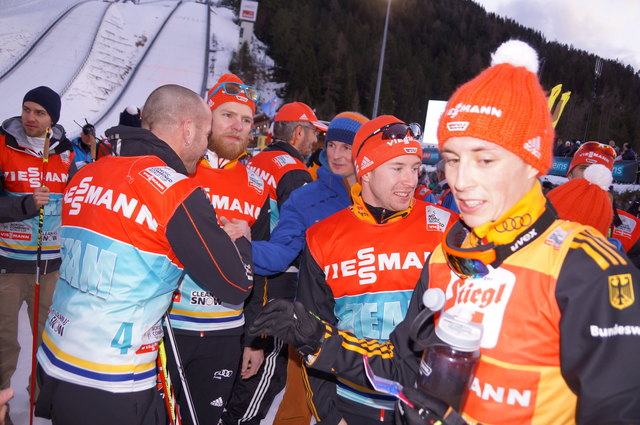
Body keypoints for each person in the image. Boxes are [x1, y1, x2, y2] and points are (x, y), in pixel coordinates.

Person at [249, 40, 640, 424]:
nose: (460, 180)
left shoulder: (587, 267)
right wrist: (318, 338)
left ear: (529, 162)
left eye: (484, 159)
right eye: (452, 159)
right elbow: (404, 366)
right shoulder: (446, 257)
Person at [35, 84, 254, 425]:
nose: (203, 147)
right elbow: (235, 284)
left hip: (56, 356)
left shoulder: (87, 172)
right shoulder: (176, 191)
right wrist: (240, 240)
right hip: (113, 377)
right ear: (188, 130)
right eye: (205, 134)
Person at [298, 115, 456, 424]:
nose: (411, 180)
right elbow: (310, 331)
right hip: (352, 401)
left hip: (426, 404)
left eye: (415, 168)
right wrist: (330, 415)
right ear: (366, 171)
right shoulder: (322, 236)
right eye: (397, 168)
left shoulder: (447, 227)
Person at [243, 111, 368, 425]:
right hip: (314, 321)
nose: (336, 155)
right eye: (331, 145)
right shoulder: (305, 198)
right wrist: (237, 247)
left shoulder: (380, 196)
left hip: (368, 324)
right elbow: (280, 253)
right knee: (297, 408)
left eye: (346, 147)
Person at [164, 74, 269, 425]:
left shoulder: (258, 186)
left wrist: (254, 339)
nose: (238, 126)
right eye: (228, 115)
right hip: (169, 325)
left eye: (246, 120)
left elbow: (261, 271)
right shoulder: (177, 170)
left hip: (225, 332)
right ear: (207, 117)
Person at [222, 101, 327, 425]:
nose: (316, 142)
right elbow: (302, 236)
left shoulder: (254, 160)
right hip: (274, 284)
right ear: (298, 133)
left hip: (244, 275)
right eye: (313, 133)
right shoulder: (294, 172)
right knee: (266, 373)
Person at [0, 86, 73, 425]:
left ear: (52, 119)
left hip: (51, 267)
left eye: (39, 112)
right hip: (9, 265)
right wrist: (26, 205)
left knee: (49, 337)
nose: (30, 117)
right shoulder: (3, 146)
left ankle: (41, 397)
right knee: (4, 341)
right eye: (26, 109)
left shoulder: (67, 155)